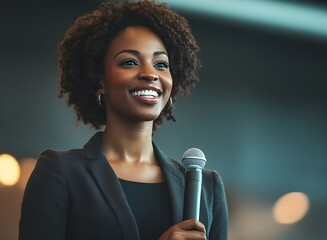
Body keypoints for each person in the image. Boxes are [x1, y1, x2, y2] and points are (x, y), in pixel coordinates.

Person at [19, 1, 228, 239]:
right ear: (100, 80)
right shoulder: (60, 173)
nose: (150, 74)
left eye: (161, 64)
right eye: (129, 62)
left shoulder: (206, 188)